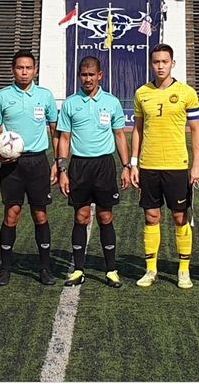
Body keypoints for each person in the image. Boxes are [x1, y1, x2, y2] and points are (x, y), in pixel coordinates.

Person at [130, 43, 199, 289]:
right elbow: (138, 130)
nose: (160, 66)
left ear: (173, 63)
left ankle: (183, 270)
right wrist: (133, 163)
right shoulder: (142, 93)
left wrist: (196, 166)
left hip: (177, 165)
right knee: (152, 216)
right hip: (149, 165)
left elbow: (196, 131)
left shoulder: (187, 93)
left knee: (180, 216)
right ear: (151, 64)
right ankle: (151, 269)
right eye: (156, 62)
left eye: (164, 61)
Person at [56, 56, 131, 288]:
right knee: (81, 216)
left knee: (106, 216)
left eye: (91, 74)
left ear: (100, 75)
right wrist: (62, 169)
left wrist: (127, 167)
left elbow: (120, 135)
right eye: (83, 75)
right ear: (79, 76)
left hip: (104, 166)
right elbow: (64, 138)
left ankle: (111, 270)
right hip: (79, 166)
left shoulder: (112, 102)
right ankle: (78, 270)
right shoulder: (70, 103)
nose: (87, 79)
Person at [0, 49, 59, 286]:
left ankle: (45, 268)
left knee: (40, 214)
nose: (24, 72)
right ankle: (5, 268)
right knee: (12, 214)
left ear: (35, 70)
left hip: (38, 162)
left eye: (28, 68)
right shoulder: (2, 96)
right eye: (20, 67)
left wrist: (58, 163)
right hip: (12, 165)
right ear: (13, 70)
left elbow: (54, 130)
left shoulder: (45, 96)